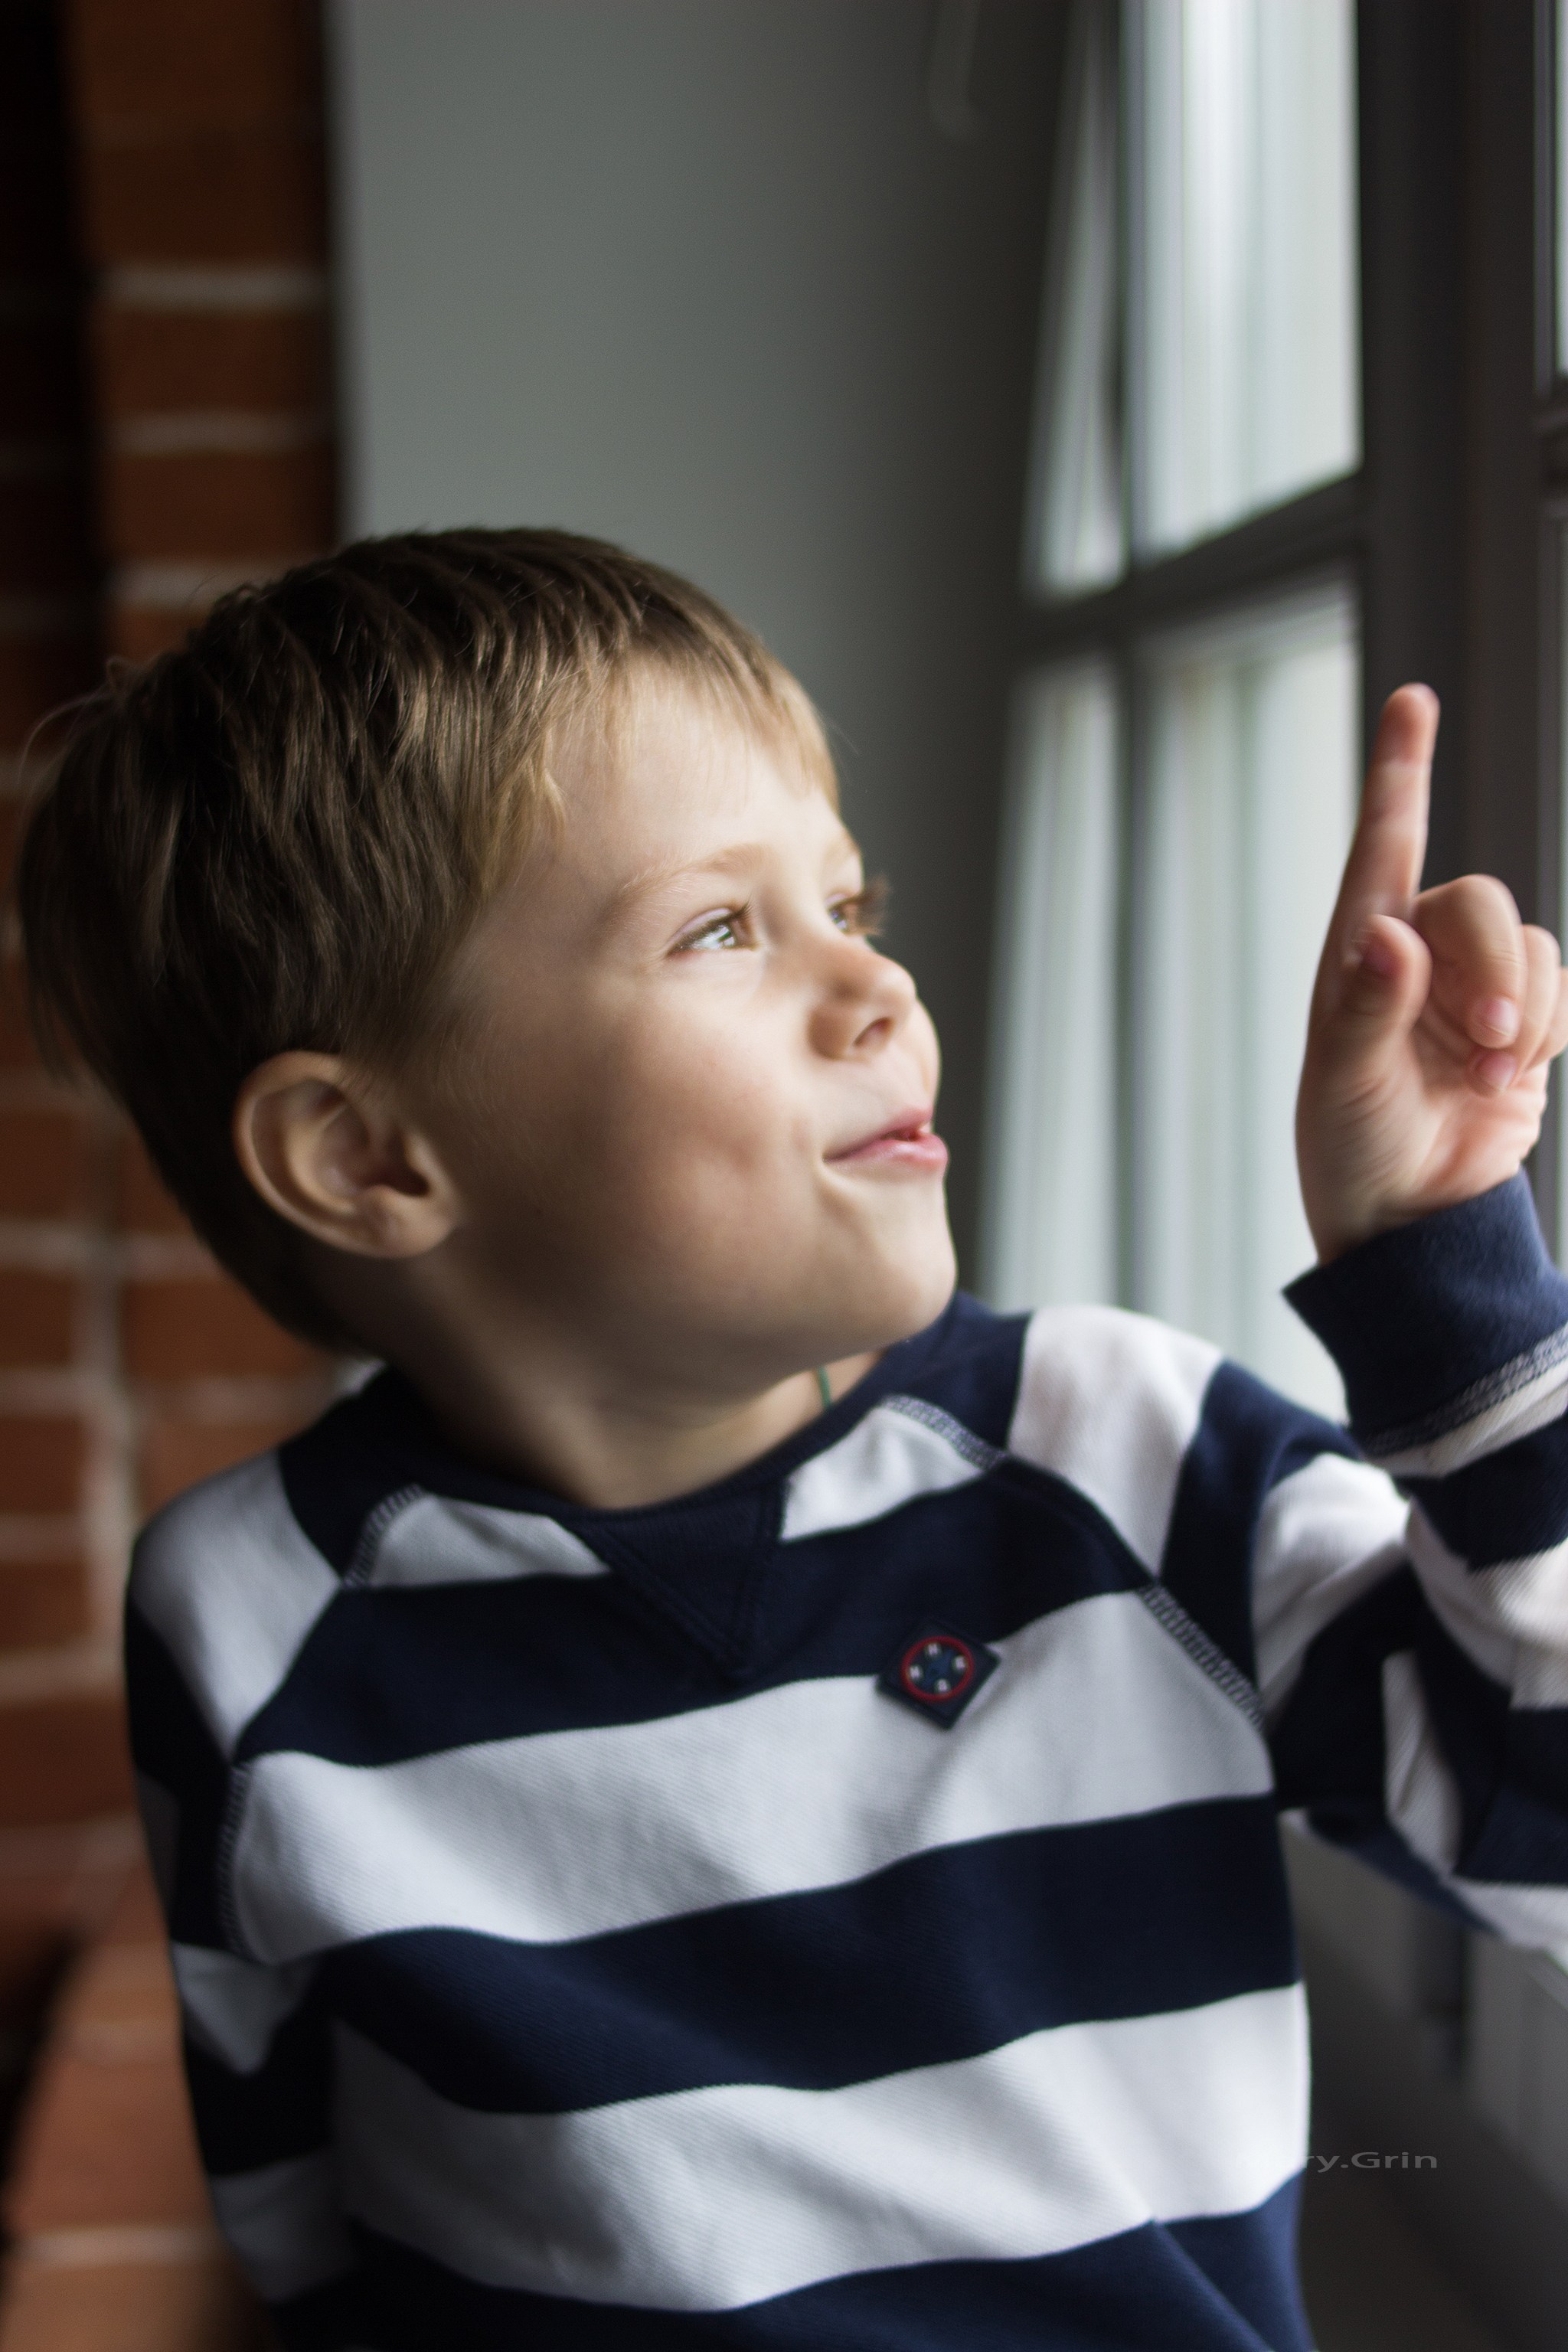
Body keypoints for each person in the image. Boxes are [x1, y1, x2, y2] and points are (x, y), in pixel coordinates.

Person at [16, 529, 1568, 2351]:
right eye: (722, 929)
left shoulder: (1125, 1463)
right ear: (368, 1158)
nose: (878, 992)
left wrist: (1435, 1269)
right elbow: (293, 2207)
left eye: (855, 904)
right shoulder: (245, 1622)